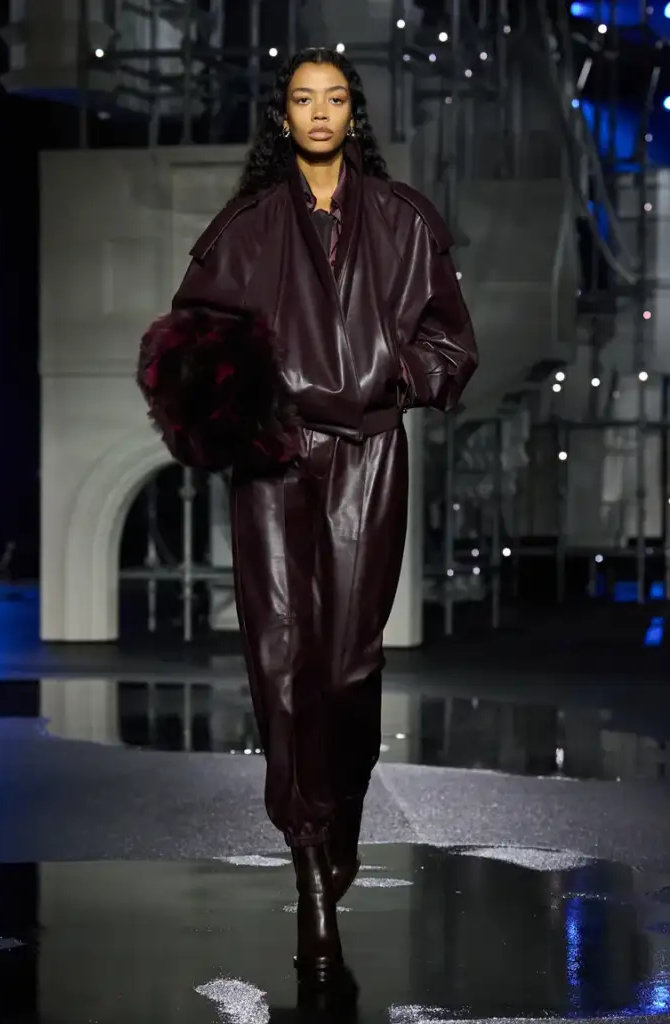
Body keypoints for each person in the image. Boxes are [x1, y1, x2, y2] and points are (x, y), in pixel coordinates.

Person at [138, 47, 478, 981]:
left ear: (351, 113)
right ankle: (309, 875)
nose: (319, 112)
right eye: (302, 98)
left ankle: (344, 818)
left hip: (367, 451)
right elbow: (183, 344)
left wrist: (393, 378)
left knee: (346, 665)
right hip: (274, 460)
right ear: (283, 116)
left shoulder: (404, 219)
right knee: (281, 663)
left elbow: (453, 341)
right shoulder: (245, 227)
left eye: (333, 98)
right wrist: (243, 414)